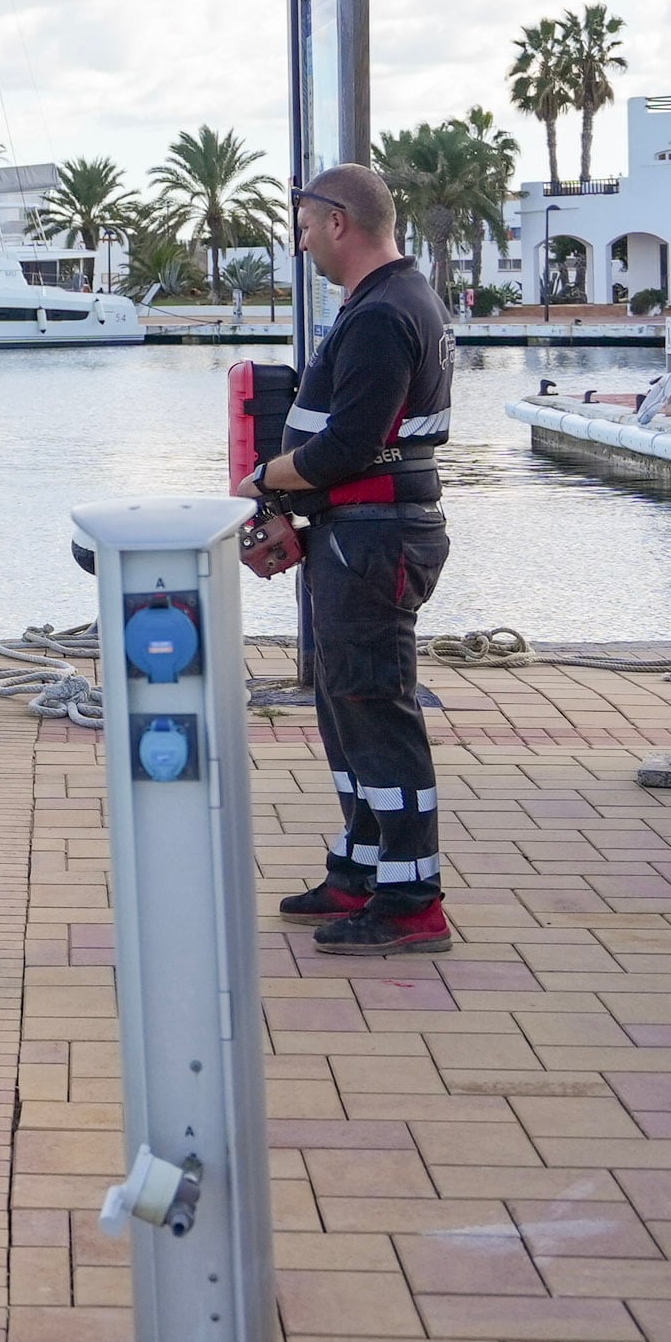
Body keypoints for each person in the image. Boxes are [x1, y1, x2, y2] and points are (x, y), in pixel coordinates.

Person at [250, 163, 457, 958]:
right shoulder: (396, 301)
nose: (301, 242)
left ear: (338, 221)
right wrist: (300, 511)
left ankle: (411, 899)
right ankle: (364, 867)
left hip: (376, 540)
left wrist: (263, 482)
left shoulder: (381, 315)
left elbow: (349, 444)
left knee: (376, 707)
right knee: (345, 704)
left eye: (303, 226)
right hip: (359, 531)